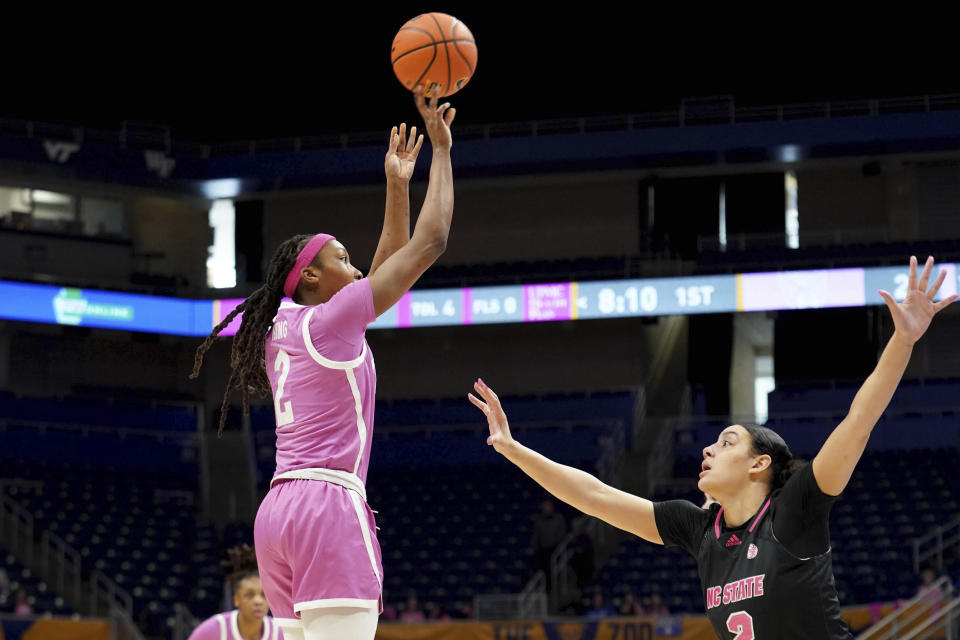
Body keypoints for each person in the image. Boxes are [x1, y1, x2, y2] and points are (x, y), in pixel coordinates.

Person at [468, 256, 956, 639]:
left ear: (760, 463)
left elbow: (860, 418)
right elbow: (594, 497)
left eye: (726, 442)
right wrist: (513, 449)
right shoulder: (699, 528)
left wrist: (903, 341)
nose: (708, 449)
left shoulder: (798, 507)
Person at [190, 87, 457, 640]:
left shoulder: (279, 328)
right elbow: (429, 243)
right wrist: (443, 150)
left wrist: (397, 186)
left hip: (277, 514)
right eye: (342, 258)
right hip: (326, 505)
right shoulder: (332, 322)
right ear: (310, 276)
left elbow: (382, 270)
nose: (357, 269)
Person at [189, 545, 281, 640]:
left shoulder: (279, 632)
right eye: (250, 595)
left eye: (263, 595)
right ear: (236, 599)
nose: (258, 601)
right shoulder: (213, 630)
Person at [532, 499, 567, 587]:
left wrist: (556, 544)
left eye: (548, 506)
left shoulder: (558, 518)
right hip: (543, 550)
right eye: (545, 506)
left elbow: (561, 534)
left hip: (555, 549)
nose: (547, 508)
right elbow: (536, 536)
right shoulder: (539, 520)